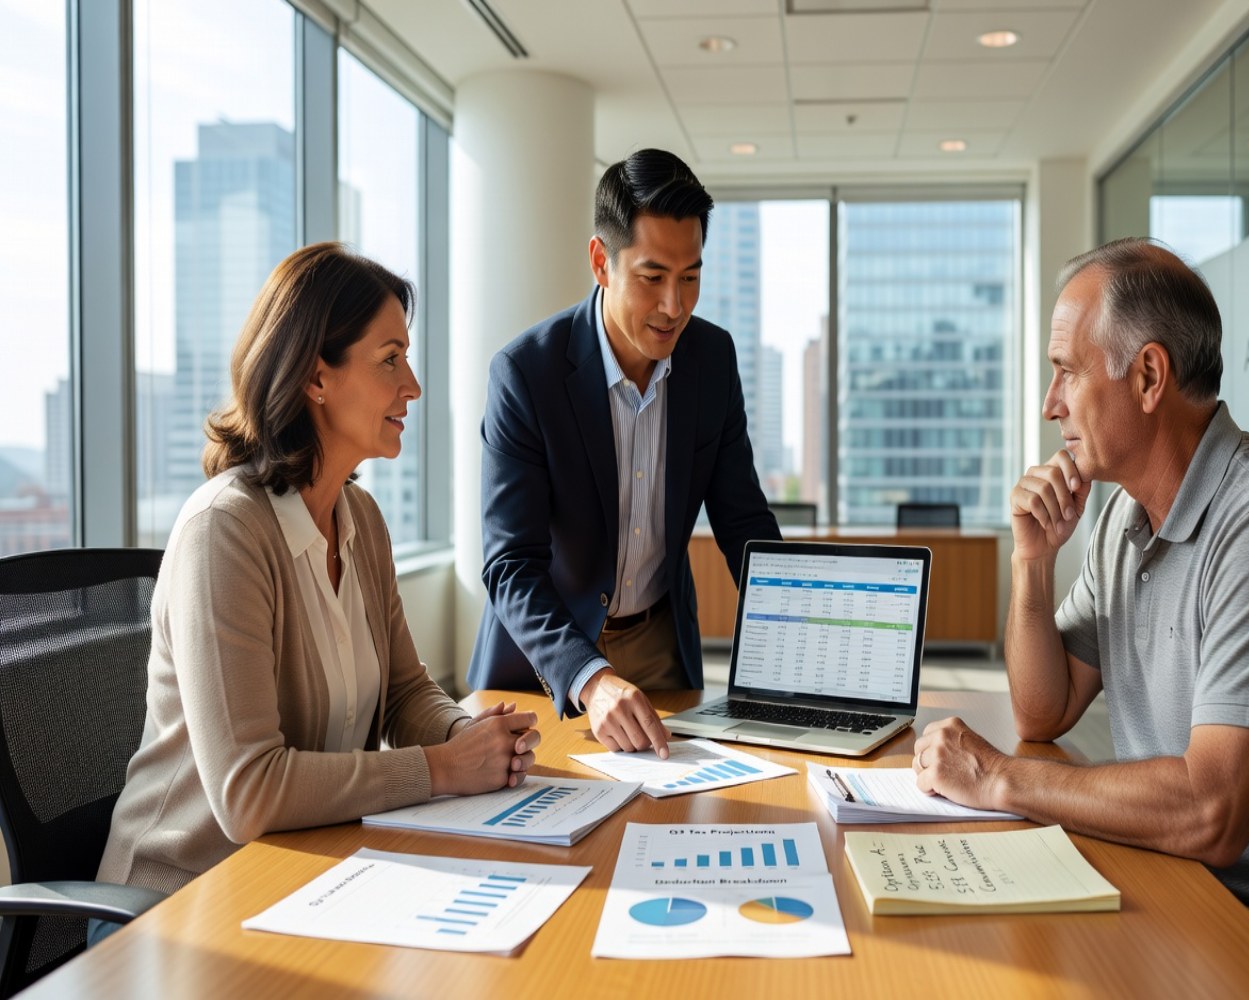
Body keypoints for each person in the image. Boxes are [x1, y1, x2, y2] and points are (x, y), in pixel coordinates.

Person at [911, 238, 1249, 999]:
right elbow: (1043, 708)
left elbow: (1213, 812)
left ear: (1147, 376)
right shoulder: (1122, 521)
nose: (1050, 405)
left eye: (1066, 372)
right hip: (1173, 886)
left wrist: (999, 778)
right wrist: (1032, 561)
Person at [96, 243, 540, 924]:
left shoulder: (358, 515)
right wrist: (443, 769)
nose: (412, 385)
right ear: (315, 377)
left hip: (306, 878)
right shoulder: (225, 531)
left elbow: (403, 690)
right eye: (390, 359)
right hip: (178, 909)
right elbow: (249, 792)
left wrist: (470, 737)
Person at [466, 148, 779, 758]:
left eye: (690, 276)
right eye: (653, 276)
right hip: (546, 653)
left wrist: (805, 632)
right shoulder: (525, 373)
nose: (674, 306)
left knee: (673, 821)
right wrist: (591, 677)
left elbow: (743, 521)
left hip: (661, 643)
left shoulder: (712, 360)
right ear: (601, 263)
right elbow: (511, 564)